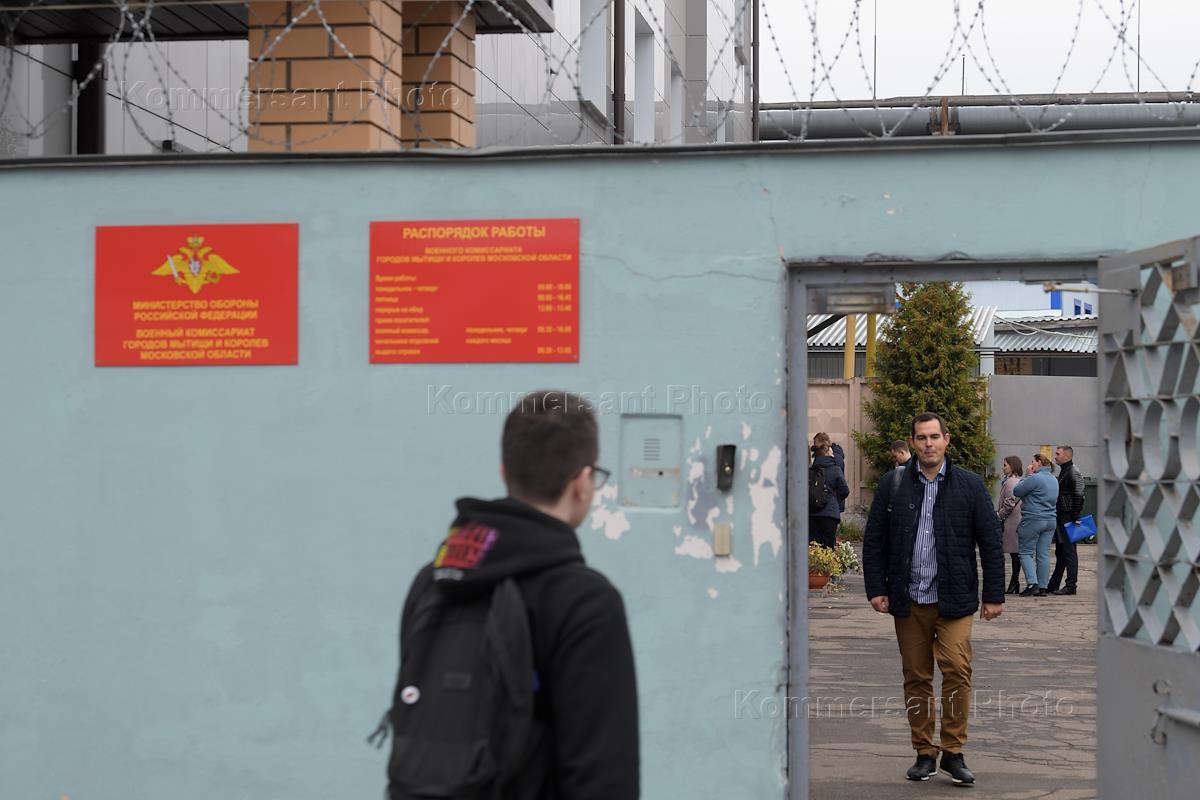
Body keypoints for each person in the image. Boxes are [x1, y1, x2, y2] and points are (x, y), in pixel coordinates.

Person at [384, 390, 639, 799]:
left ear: (504, 472)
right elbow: (604, 776)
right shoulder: (586, 602)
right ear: (583, 482)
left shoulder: (435, 580)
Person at [862, 412, 1005, 787]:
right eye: (921, 438)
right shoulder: (893, 485)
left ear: (946, 439)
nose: (928, 444)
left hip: (954, 599)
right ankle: (924, 753)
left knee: (957, 670)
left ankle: (953, 751)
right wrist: (877, 588)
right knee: (917, 677)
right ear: (912, 443)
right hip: (908, 600)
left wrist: (994, 594)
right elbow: (874, 540)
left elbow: (990, 542)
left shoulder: (970, 486)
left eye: (934, 437)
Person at [1012, 454, 1059, 598]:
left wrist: (1027, 475)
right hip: (1050, 519)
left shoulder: (1034, 478)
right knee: (1043, 553)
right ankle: (1043, 586)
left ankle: (1032, 583)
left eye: (1032, 462)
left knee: (1025, 552)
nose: (1031, 464)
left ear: (1039, 463)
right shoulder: (1054, 479)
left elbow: (1017, 491)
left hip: (1033, 518)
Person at [1048, 445, 1086, 596]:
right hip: (1064, 514)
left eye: (1058, 454)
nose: (1055, 456)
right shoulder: (1067, 470)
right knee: (1062, 551)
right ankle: (1054, 583)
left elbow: (1080, 493)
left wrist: (1075, 516)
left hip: (1068, 515)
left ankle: (1071, 585)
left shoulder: (1072, 471)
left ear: (1067, 456)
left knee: (1069, 551)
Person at [809, 435, 850, 549]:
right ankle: (827, 567)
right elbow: (845, 491)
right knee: (828, 548)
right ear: (827, 450)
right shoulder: (835, 469)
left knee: (813, 548)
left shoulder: (810, 471)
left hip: (811, 513)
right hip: (829, 513)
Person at [996, 455, 1024, 595]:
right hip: (1017, 518)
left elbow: (1009, 502)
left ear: (1012, 466)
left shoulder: (1010, 482)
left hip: (1011, 520)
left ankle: (1014, 582)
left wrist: (999, 514)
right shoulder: (1020, 481)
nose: (1003, 467)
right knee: (1015, 553)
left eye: (1005, 465)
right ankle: (1015, 582)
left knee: (1014, 553)